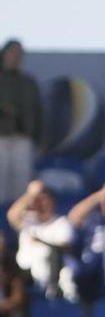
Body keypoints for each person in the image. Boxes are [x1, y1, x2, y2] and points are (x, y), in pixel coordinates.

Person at [8, 180, 77, 299]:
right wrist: (30, 193)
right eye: (37, 200)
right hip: (27, 269)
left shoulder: (61, 222)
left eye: (45, 200)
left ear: (52, 202)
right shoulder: (27, 219)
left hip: (55, 268)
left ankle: (61, 299)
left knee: (65, 271)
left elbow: (62, 248)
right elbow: (11, 215)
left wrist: (39, 242)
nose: (41, 204)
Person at [0, 39, 40, 204]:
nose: (15, 57)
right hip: (1, 136)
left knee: (22, 182)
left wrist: (40, 138)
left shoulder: (28, 82)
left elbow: (38, 112)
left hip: (23, 136)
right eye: (12, 52)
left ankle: (18, 219)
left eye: (19, 53)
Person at [0, 252, 25, 317]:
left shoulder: (13, 277)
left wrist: (2, 306)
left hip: (7, 315)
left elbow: (18, 299)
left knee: (18, 314)